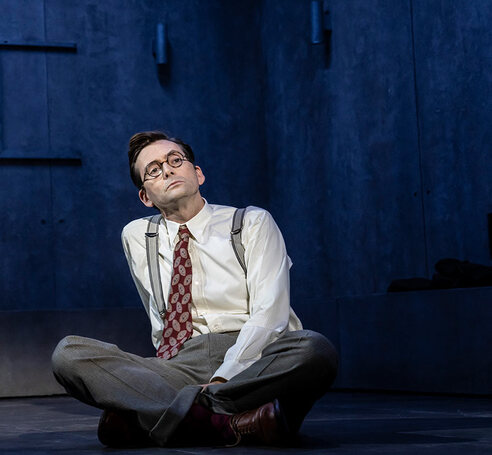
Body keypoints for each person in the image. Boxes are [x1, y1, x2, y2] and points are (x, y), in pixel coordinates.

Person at [52, 131, 338, 447]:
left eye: (176, 161)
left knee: (315, 349)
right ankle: (234, 423)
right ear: (146, 196)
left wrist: (221, 378)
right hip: (184, 363)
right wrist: (162, 373)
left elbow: (270, 317)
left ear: (197, 173)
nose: (168, 170)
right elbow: (159, 319)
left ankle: (157, 416)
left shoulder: (251, 222)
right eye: (154, 170)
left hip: (258, 359)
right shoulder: (137, 236)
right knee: (69, 354)